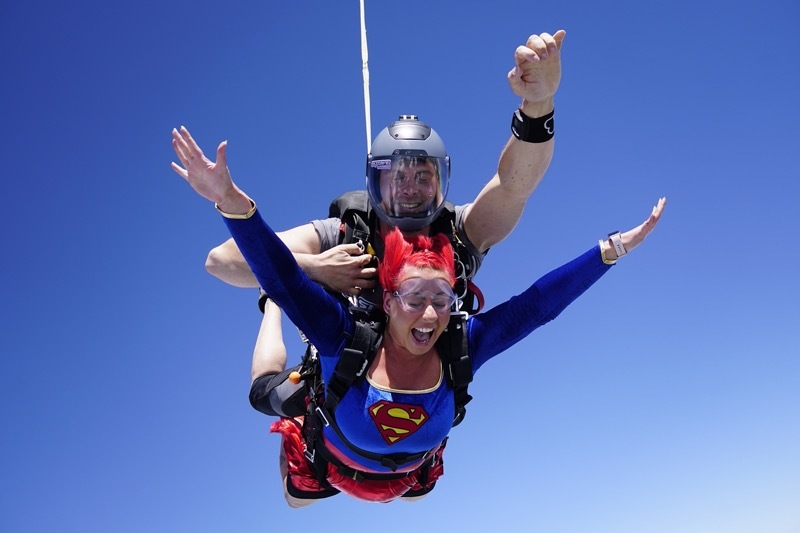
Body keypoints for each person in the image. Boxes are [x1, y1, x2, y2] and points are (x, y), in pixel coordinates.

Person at [170, 125, 667, 506]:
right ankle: (270, 316)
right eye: (413, 296)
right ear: (386, 300)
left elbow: (537, 307)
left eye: (443, 299)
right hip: (327, 466)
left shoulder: (461, 340)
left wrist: (610, 250)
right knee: (268, 396)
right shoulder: (343, 336)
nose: (430, 313)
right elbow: (275, 273)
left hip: (412, 475)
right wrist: (233, 203)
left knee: (414, 483)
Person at [204, 30, 568, 305]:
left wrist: (539, 106)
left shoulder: (461, 234)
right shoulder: (345, 235)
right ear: (374, 181)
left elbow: (514, 184)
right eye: (397, 177)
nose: (410, 187)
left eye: (423, 176)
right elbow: (221, 261)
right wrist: (313, 267)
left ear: (442, 181)